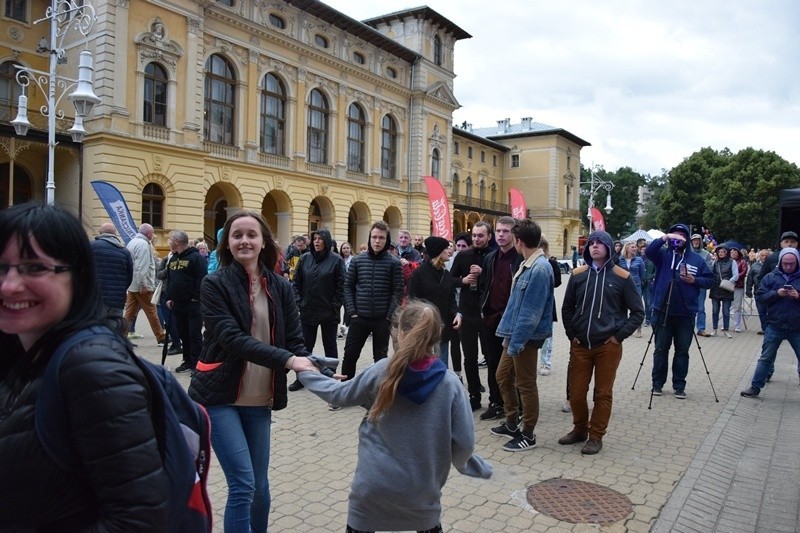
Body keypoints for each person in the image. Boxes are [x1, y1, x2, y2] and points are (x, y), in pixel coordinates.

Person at [0, 202, 168, 529]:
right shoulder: (19, 349)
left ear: (77, 276)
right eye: (1, 266)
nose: (9, 284)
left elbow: (139, 519)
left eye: (34, 267)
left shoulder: (94, 369)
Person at [297, 300, 492, 532]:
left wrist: (306, 371)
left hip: (371, 493)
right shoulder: (450, 384)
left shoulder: (382, 370)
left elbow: (338, 394)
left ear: (399, 332)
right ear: (437, 335)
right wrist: (468, 465)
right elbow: (465, 444)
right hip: (422, 497)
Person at [188, 211, 319, 533]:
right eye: (237, 235)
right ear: (227, 243)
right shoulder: (214, 284)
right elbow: (232, 339)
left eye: (251, 235)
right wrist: (289, 361)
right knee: (243, 484)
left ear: (263, 242)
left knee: (260, 488)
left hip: (260, 397)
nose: (244, 240)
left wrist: (316, 371)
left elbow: (295, 341)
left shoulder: (280, 286)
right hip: (220, 395)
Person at [560, 230, 644, 454]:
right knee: (576, 393)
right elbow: (567, 307)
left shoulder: (622, 277)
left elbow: (638, 313)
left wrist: (618, 337)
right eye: (591, 243)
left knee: (602, 394)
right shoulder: (578, 275)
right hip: (580, 345)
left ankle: (596, 436)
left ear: (608, 246)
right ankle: (579, 430)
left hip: (608, 347)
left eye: (599, 243)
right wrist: (572, 334)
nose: (594, 246)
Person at [491, 218, 553, 452]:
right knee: (502, 376)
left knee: (526, 384)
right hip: (514, 334)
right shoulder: (529, 263)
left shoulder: (539, 268)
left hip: (525, 337)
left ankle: (528, 433)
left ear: (519, 241)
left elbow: (530, 313)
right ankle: (511, 422)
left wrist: (516, 343)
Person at [645, 224, 714, 399]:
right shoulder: (663, 255)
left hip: (686, 312)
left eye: (682, 235)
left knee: (682, 351)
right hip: (662, 310)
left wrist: (694, 280)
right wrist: (664, 238)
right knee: (661, 349)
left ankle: (679, 385)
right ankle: (657, 384)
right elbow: (649, 252)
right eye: (675, 235)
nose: (679, 238)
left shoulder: (697, 260)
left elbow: (710, 280)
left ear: (688, 239)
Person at [341, 221, 404, 380]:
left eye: (381, 238)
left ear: (387, 239)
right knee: (350, 355)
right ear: (369, 238)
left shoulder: (394, 263)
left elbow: (398, 291)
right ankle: (344, 391)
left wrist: (389, 316)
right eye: (374, 237)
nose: (377, 241)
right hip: (359, 318)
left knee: (380, 359)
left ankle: (379, 393)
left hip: (382, 320)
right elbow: (348, 287)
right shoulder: (357, 261)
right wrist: (352, 312)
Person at [289, 229, 345, 392]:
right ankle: (302, 377)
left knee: (330, 345)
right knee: (305, 346)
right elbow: (295, 283)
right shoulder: (305, 258)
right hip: (308, 310)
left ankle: (331, 378)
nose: (317, 242)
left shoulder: (336, 260)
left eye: (320, 239)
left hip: (329, 312)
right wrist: (299, 302)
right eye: (315, 239)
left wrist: (335, 305)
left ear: (326, 241)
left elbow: (341, 286)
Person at [740, 248, 800, 398]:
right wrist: (776, 294)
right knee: (766, 357)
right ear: (780, 262)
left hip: (797, 326)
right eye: (785, 263)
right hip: (775, 324)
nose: (788, 266)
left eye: (791, 264)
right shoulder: (770, 277)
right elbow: (760, 297)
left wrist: (798, 296)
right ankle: (755, 386)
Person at [478, 216, 522, 419]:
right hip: (490, 319)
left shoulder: (520, 259)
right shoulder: (490, 258)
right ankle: (495, 403)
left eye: (506, 231)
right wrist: (483, 309)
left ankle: (516, 406)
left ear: (514, 234)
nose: (501, 235)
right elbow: (485, 287)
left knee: (513, 368)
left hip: (512, 322)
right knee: (493, 363)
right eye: (498, 231)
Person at [450, 221, 493, 411]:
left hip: (488, 314)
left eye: (480, 236)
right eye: (474, 235)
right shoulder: (463, 255)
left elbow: (500, 283)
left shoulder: (494, 256)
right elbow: (449, 280)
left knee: (491, 357)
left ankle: (495, 397)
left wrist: (483, 274)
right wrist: (463, 280)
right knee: (469, 357)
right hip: (467, 313)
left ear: (488, 237)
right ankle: (474, 395)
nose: (476, 238)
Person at [407, 236, 461, 368]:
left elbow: (451, 299)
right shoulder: (418, 274)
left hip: (443, 329)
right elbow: (412, 301)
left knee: (441, 367)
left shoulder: (446, 274)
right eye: (446, 248)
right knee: (423, 367)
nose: (449, 251)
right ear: (438, 252)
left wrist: (458, 314)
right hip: (424, 331)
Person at [165, 230, 207, 373]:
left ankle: (197, 363)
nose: (169, 242)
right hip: (178, 303)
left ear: (177, 241)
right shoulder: (172, 259)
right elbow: (171, 279)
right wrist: (170, 297)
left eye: (171, 240)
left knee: (194, 334)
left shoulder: (196, 258)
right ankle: (187, 361)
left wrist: (196, 296)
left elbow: (201, 278)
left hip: (193, 303)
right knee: (183, 333)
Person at [123, 223, 166, 344]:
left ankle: (121, 335)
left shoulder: (132, 242)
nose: (153, 235)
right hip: (142, 285)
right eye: (152, 233)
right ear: (148, 233)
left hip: (133, 284)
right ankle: (161, 337)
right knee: (152, 310)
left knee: (129, 312)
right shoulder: (143, 244)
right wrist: (143, 284)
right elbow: (141, 267)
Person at [90, 222, 133, 319]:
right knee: (114, 331)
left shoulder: (91, 247)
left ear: (100, 232)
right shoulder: (125, 252)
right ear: (115, 234)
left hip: (96, 298)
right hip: (117, 300)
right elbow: (130, 277)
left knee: (96, 330)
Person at [537, 235, 562, 375]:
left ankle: (545, 363)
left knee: (547, 336)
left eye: (541, 246)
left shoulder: (551, 263)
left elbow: (558, 281)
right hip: (531, 305)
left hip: (547, 303)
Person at [709, 244, 737, 338]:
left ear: (726, 252)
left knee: (726, 311)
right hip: (715, 289)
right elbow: (711, 274)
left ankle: (726, 330)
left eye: (723, 252)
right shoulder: (715, 262)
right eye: (719, 252)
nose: (721, 253)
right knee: (715, 311)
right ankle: (714, 329)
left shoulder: (732, 262)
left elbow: (735, 275)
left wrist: (728, 282)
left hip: (726, 289)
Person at [618, 241, 645, 338]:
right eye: (632, 247)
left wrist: (640, 283)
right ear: (627, 248)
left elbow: (642, 274)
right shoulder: (620, 259)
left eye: (635, 247)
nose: (634, 248)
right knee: (622, 306)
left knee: (637, 308)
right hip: (623, 286)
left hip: (636, 286)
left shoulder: (639, 260)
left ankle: (639, 329)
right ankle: (624, 328)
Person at [690, 234, 714, 336]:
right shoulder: (688, 253)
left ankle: (701, 328)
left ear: (700, 241)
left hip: (700, 284)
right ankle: (688, 328)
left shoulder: (706, 254)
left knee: (700, 308)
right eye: (694, 241)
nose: (695, 242)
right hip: (688, 284)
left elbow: (709, 269)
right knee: (688, 307)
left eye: (697, 240)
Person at [746, 249, 769, 334]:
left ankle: (770, 329)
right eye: (762, 255)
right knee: (761, 311)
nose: (764, 257)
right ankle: (764, 328)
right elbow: (750, 279)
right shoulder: (755, 266)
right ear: (759, 256)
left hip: (770, 292)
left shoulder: (773, 266)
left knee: (770, 312)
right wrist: (748, 290)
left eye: (766, 255)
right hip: (758, 292)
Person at [338, 241, 355, 338]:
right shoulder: (339, 259)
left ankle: (346, 325)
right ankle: (343, 325)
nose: (346, 250)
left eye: (347, 248)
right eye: (344, 248)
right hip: (340, 287)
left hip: (350, 287)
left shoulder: (354, 259)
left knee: (348, 307)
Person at [730, 247, 749, 333]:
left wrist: (735, 277)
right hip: (728, 285)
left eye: (735, 252)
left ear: (738, 253)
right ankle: (725, 324)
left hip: (738, 286)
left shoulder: (742, 262)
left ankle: (737, 325)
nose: (733, 253)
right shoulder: (727, 262)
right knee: (726, 306)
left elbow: (743, 272)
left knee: (737, 306)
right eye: (731, 252)